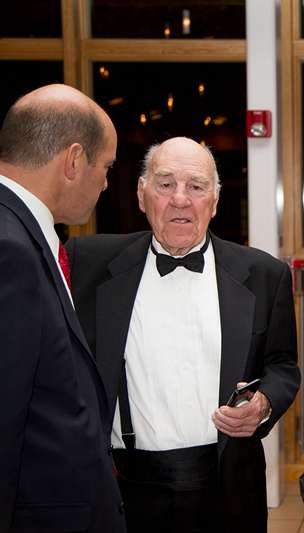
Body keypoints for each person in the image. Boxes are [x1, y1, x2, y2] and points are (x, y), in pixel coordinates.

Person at [65, 137, 301, 533]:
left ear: (214, 201)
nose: (180, 199)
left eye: (196, 186)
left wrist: (263, 405)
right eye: (165, 184)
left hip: (226, 484)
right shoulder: (87, 262)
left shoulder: (264, 275)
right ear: (142, 195)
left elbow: (282, 365)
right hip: (122, 486)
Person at [0, 84, 124, 532]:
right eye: (106, 166)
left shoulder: (22, 232)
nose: (106, 183)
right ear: (73, 161)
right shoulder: (10, 249)